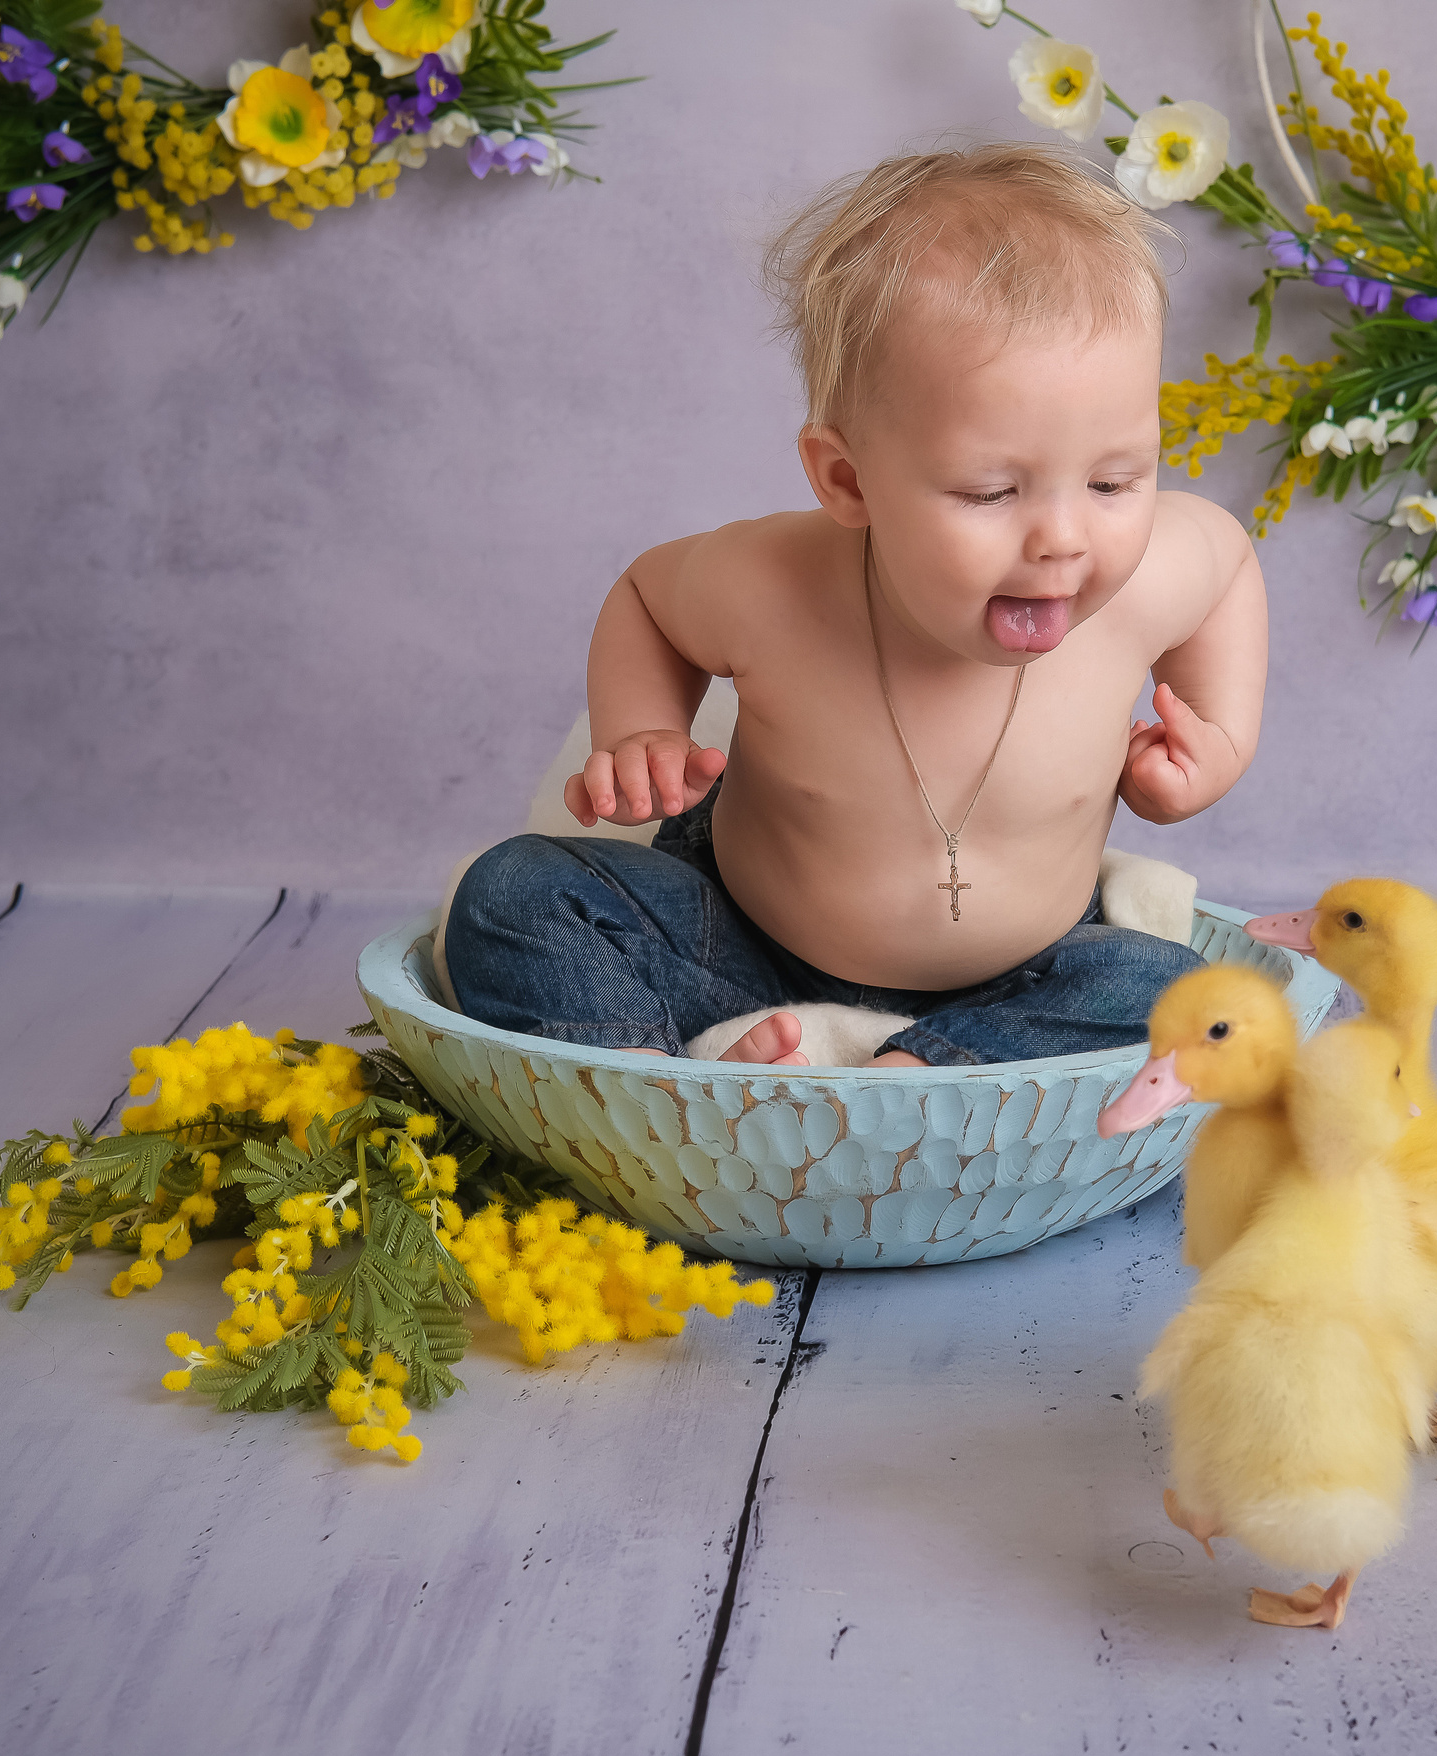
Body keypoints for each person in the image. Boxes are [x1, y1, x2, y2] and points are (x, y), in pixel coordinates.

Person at [446, 143, 1268, 1068]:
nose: (1063, 540)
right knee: (513, 891)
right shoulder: (772, 583)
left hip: (1025, 974)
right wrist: (643, 730)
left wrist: (1218, 738)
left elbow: (1230, 566)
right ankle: (657, 1091)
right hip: (741, 943)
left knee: (1176, 991)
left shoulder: (1152, 577)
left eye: (1114, 482)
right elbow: (647, 597)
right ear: (847, 479)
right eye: (991, 492)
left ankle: (913, 1074)